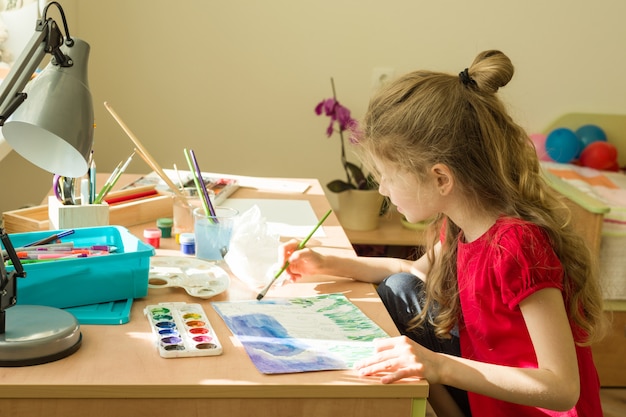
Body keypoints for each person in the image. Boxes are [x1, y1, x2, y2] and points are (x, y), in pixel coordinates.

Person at [280, 50, 606, 416]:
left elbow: (563, 388)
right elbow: (410, 273)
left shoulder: (517, 245)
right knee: (399, 293)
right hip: (489, 399)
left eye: (388, 176)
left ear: (440, 178)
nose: (383, 189)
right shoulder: (460, 225)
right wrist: (326, 262)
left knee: (405, 313)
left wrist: (438, 365)